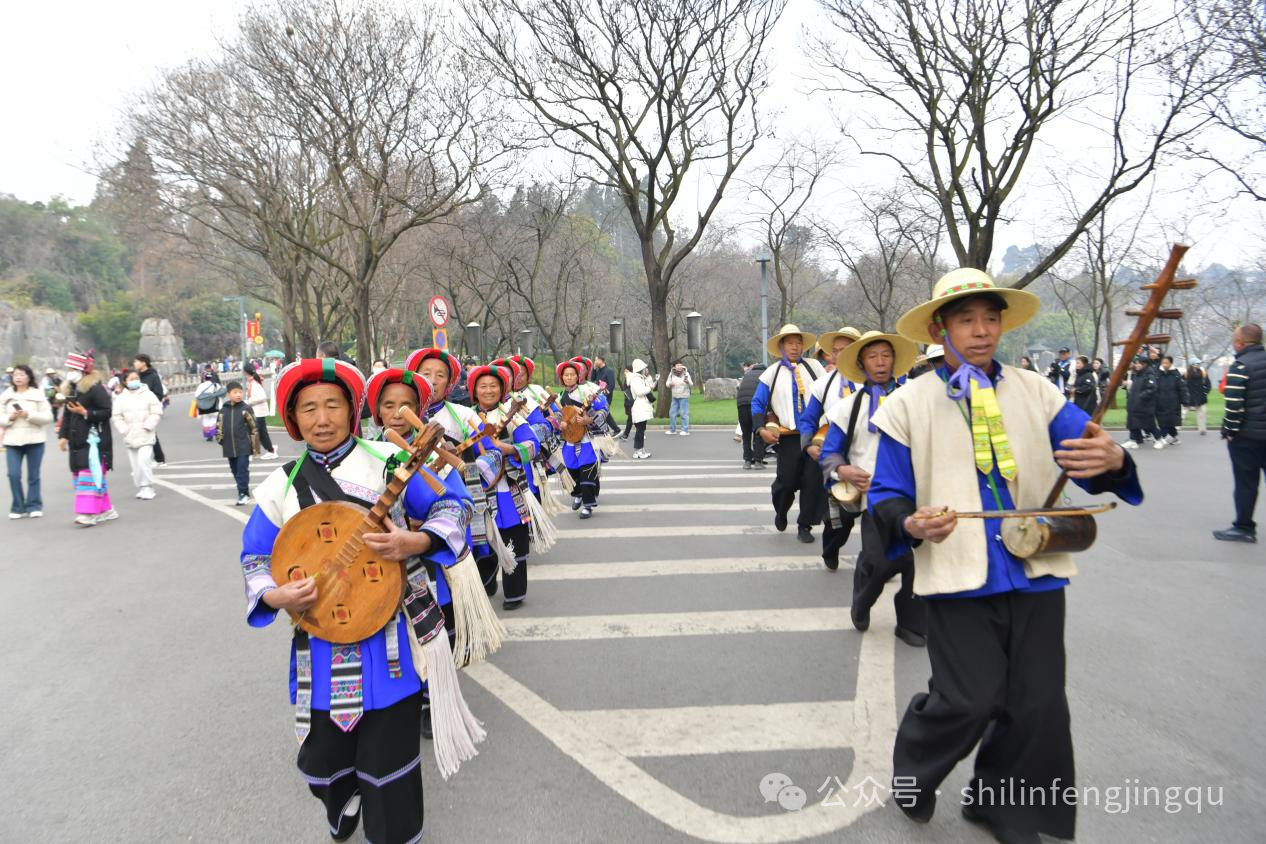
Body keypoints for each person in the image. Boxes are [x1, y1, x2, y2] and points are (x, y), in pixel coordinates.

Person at [870, 268, 1143, 843]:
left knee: (1037, 703)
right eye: (967, 320)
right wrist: (911, 521)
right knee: (968, 700)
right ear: (940, 330)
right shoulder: (907, 404)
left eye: (991, 318)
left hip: (1036, 568)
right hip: (957, 575)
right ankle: (914, 771)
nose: (981, 331)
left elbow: (1087, 454)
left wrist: (1114, 460)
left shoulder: (1037, 392)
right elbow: (887, 494)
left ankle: (1004, 807)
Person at [239, 358, 484, 843]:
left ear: (352, 412)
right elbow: (255, 556)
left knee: (390, 769)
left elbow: (454, 504)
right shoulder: (280, 485)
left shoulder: (389, 459)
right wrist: (274, 593)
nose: (322, 419)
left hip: (390, 643)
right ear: (293, 419)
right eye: (309, 409)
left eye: (333, 405)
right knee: (321, 764)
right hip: (321, 645)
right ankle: (342, 796)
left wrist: (416, 541)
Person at [819, 331, 924, 645]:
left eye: (886, 355)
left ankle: (911, 624)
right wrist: (843, 469)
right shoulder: (848, 408)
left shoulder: (914, 400)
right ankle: (862, 600)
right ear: (862, 364)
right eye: (873, 356)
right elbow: (829, 453)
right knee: (878, 562)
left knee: (917, 563)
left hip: (917, 496)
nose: (880, 362)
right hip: (874, 499)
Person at [751, 324, 827, 543]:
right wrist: (761, 429)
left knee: (812, 482)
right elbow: (757, 404)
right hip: (788, 437)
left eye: (799, 343)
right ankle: (781, 510)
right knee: (786, 482)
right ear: (782, 347)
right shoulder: (771, 373)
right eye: (790, 343)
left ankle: (805, 525)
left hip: (813, 436)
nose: (795, 347)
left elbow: (828, 393)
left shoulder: (815, 367)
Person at [798, 326, 862, 568]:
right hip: (836, 458)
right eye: (835, 350)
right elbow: (808, 420)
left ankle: (879, 561)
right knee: (842, 516)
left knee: (880, 515)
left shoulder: (872, 382)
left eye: (846, 349)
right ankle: (831, 549)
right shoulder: (821, 386)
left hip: (871, 457)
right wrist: (808, 445)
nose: (839, 354)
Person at [1214, 323, 1266, 543]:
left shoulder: (1241, 366)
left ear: (1240, 343)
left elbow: (1235, 406)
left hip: (1247, 437)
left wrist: (1229, 430)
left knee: (1246, 483)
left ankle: (1244, 527)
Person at [57, 352, 117, 527]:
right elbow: (67, 416)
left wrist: (85, 412)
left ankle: (87, 514)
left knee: (88, 475)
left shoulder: (96, 389)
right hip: (76, 440)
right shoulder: (71, 389)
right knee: (85, 476)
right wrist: (63, 436)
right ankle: (106, 509)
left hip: (94, 440)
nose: (69, 372)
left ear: (82, 370)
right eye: (69, 369)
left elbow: (107, 411)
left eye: (72, 369)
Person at [556, 359, 607, 518]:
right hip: (570, 440)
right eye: (566, 375)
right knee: (570, 468)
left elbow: (603, 410)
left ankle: (588, 504)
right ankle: (578, 493)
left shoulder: (588, 392)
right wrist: (560, 424)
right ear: (562, 377)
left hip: (587, 439)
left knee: (587, 469)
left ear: (578, 376)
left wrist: (588, 420)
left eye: (572, 374)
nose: (569, 377)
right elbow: (557, 417)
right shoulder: (560, 396)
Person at [1, 364, 53, 518]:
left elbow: (48, 417)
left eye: (22, 374)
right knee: (13, 474)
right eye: (16, 374)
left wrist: (29, 414)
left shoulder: (37, 394)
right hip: (12, 441)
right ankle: (18, 507)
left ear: (29, 377)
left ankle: (34, 505)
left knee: (33, 475)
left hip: (34, 439)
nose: (18, 377)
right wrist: (10, 417)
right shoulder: (6, 395)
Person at [110, 369, 163, 501]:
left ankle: (148, 487)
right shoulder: (121, 398)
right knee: (135, 465)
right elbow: (117, 416)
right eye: (131, 379)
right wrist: (124, 430)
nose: (134, 381)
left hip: (146, 433)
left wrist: (149, 425)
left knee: (144, 460)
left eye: (136, 378)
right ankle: (142, 487)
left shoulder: (148, 394)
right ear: (125, 382)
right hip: (130, 436)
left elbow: (156, 411)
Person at [217, 380, 261, 505]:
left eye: (240, 392)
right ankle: (243, 491)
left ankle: (243, 494)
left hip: (243, 446)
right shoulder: (223, 411)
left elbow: (254, 428)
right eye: (235, 392)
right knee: (235, 470)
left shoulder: (246, 409)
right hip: (228, 447)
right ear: (228, 394)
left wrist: (255, 448)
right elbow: (219, 427)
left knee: (242, 470)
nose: (238, 395)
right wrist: (220, 440)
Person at [133, 354, 169, 466]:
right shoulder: (136, 376)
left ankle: (159, 459)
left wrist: (148, 403)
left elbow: (159, 394)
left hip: (149, 409)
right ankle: (155, 458)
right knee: (142, 433)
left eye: (137, 361)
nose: (134, 363)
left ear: (144, 363)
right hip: (136, 409)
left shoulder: (153, 376)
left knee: (149, 432)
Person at [243, 361, 279, 459]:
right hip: (258, 412)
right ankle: (270, 450)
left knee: (255, 433)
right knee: (261, 433)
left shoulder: (254, 383)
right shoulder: (252, 382)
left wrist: (248, 401)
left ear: (246, 372)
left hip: (258, 413)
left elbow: (262, 397)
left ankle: (259, 452)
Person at [1123, 356, 1159, 449]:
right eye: (1136, 363)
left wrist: (1141, 396)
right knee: (1133, 422)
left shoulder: (1149, 375)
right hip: (1135, 403)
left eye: (1139, 363)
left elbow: (1152, 388)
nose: (1137, 365)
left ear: (1145, 364)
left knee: (1149, 424)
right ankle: (1133, 440)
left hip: (1144, 404)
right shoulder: (1137, 374)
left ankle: (1159, 439)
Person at [736, 361, 764, 469]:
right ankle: (758, 461)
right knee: (758, 433)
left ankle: (747, 461)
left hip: (741, 405)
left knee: (746, 434)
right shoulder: (765, 375)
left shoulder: (747, 375)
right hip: (755, 406)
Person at [1154, 355, 1187, 446]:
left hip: (1173, 402)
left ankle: (1161, 438)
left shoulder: (1176, 374)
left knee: (1167, 421)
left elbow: (1182, 389)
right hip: (1160, 402)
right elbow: (1154, 387)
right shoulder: (1158, 374)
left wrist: (1185, 401)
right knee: (1164, 421)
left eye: (1166, 363)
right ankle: (1174, 437)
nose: (1164, 365)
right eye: (1163, 363)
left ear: (1171, 363)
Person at [626, 359, 656, 459]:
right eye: (644, 368)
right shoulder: (636, 379)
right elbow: (639, 392)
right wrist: (649, 388)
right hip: (639, 407)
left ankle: (640, 450)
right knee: (640, 430)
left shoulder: (639, 378)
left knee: (641, 430)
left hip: (640, 406)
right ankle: (638, 451)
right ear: (640, 369)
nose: (645, 369)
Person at [193, 370, 226, 442]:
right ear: (211, 378)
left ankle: (208, 435)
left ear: (204, 378)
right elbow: (221, 394)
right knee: (214, 419)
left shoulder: (200, 386)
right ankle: (213, 432)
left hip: (203, 406)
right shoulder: (216, 385)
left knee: (206, 419)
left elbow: (196, 396)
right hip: (213, 406)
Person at [665, 360, 693, 435]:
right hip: (675, 396)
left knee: (684, 414)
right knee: (672, 413)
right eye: (678, 365)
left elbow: (691, 384)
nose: (680, 366)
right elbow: (667, 383)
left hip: (684, 396)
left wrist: (687, 382)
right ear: (674, 367)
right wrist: (670, 384)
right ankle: (672, 430)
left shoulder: (686, 373)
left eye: (681, 365)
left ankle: (685, 430)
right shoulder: (671, 374)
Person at [1184, 362, 1211, 436]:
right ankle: (1176, 429)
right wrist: (1185, 394)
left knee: (1202, 414)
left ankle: (1202, 429)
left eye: (1198, 364)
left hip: (1201, 398)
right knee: (1183, 414)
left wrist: (1205, 393)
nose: (1196, 366)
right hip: (1189, 397)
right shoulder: (1186, 373)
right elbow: (1181, 384)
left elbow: (1208, 385)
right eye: (1195, 364)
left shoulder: (1203, 373)